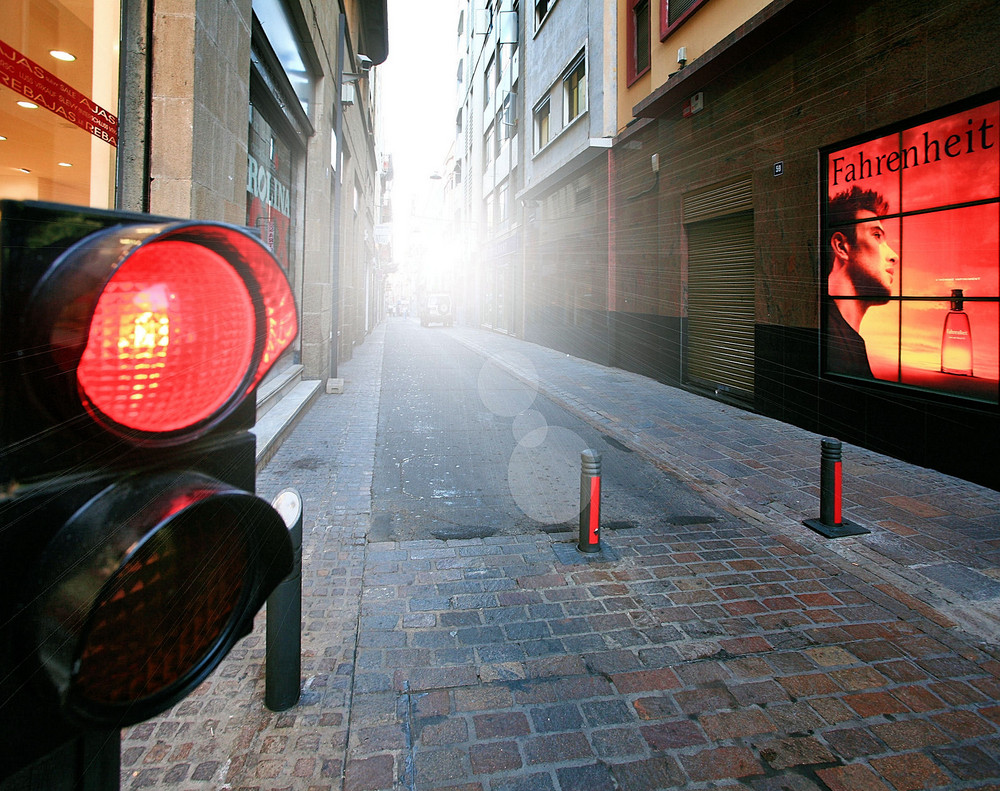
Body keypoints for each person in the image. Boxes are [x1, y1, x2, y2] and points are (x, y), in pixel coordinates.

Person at [825, 186, 898, 377]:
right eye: (876, 236)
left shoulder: (849, 339)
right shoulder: (832, 337)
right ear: (842, 247)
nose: (893, 255)